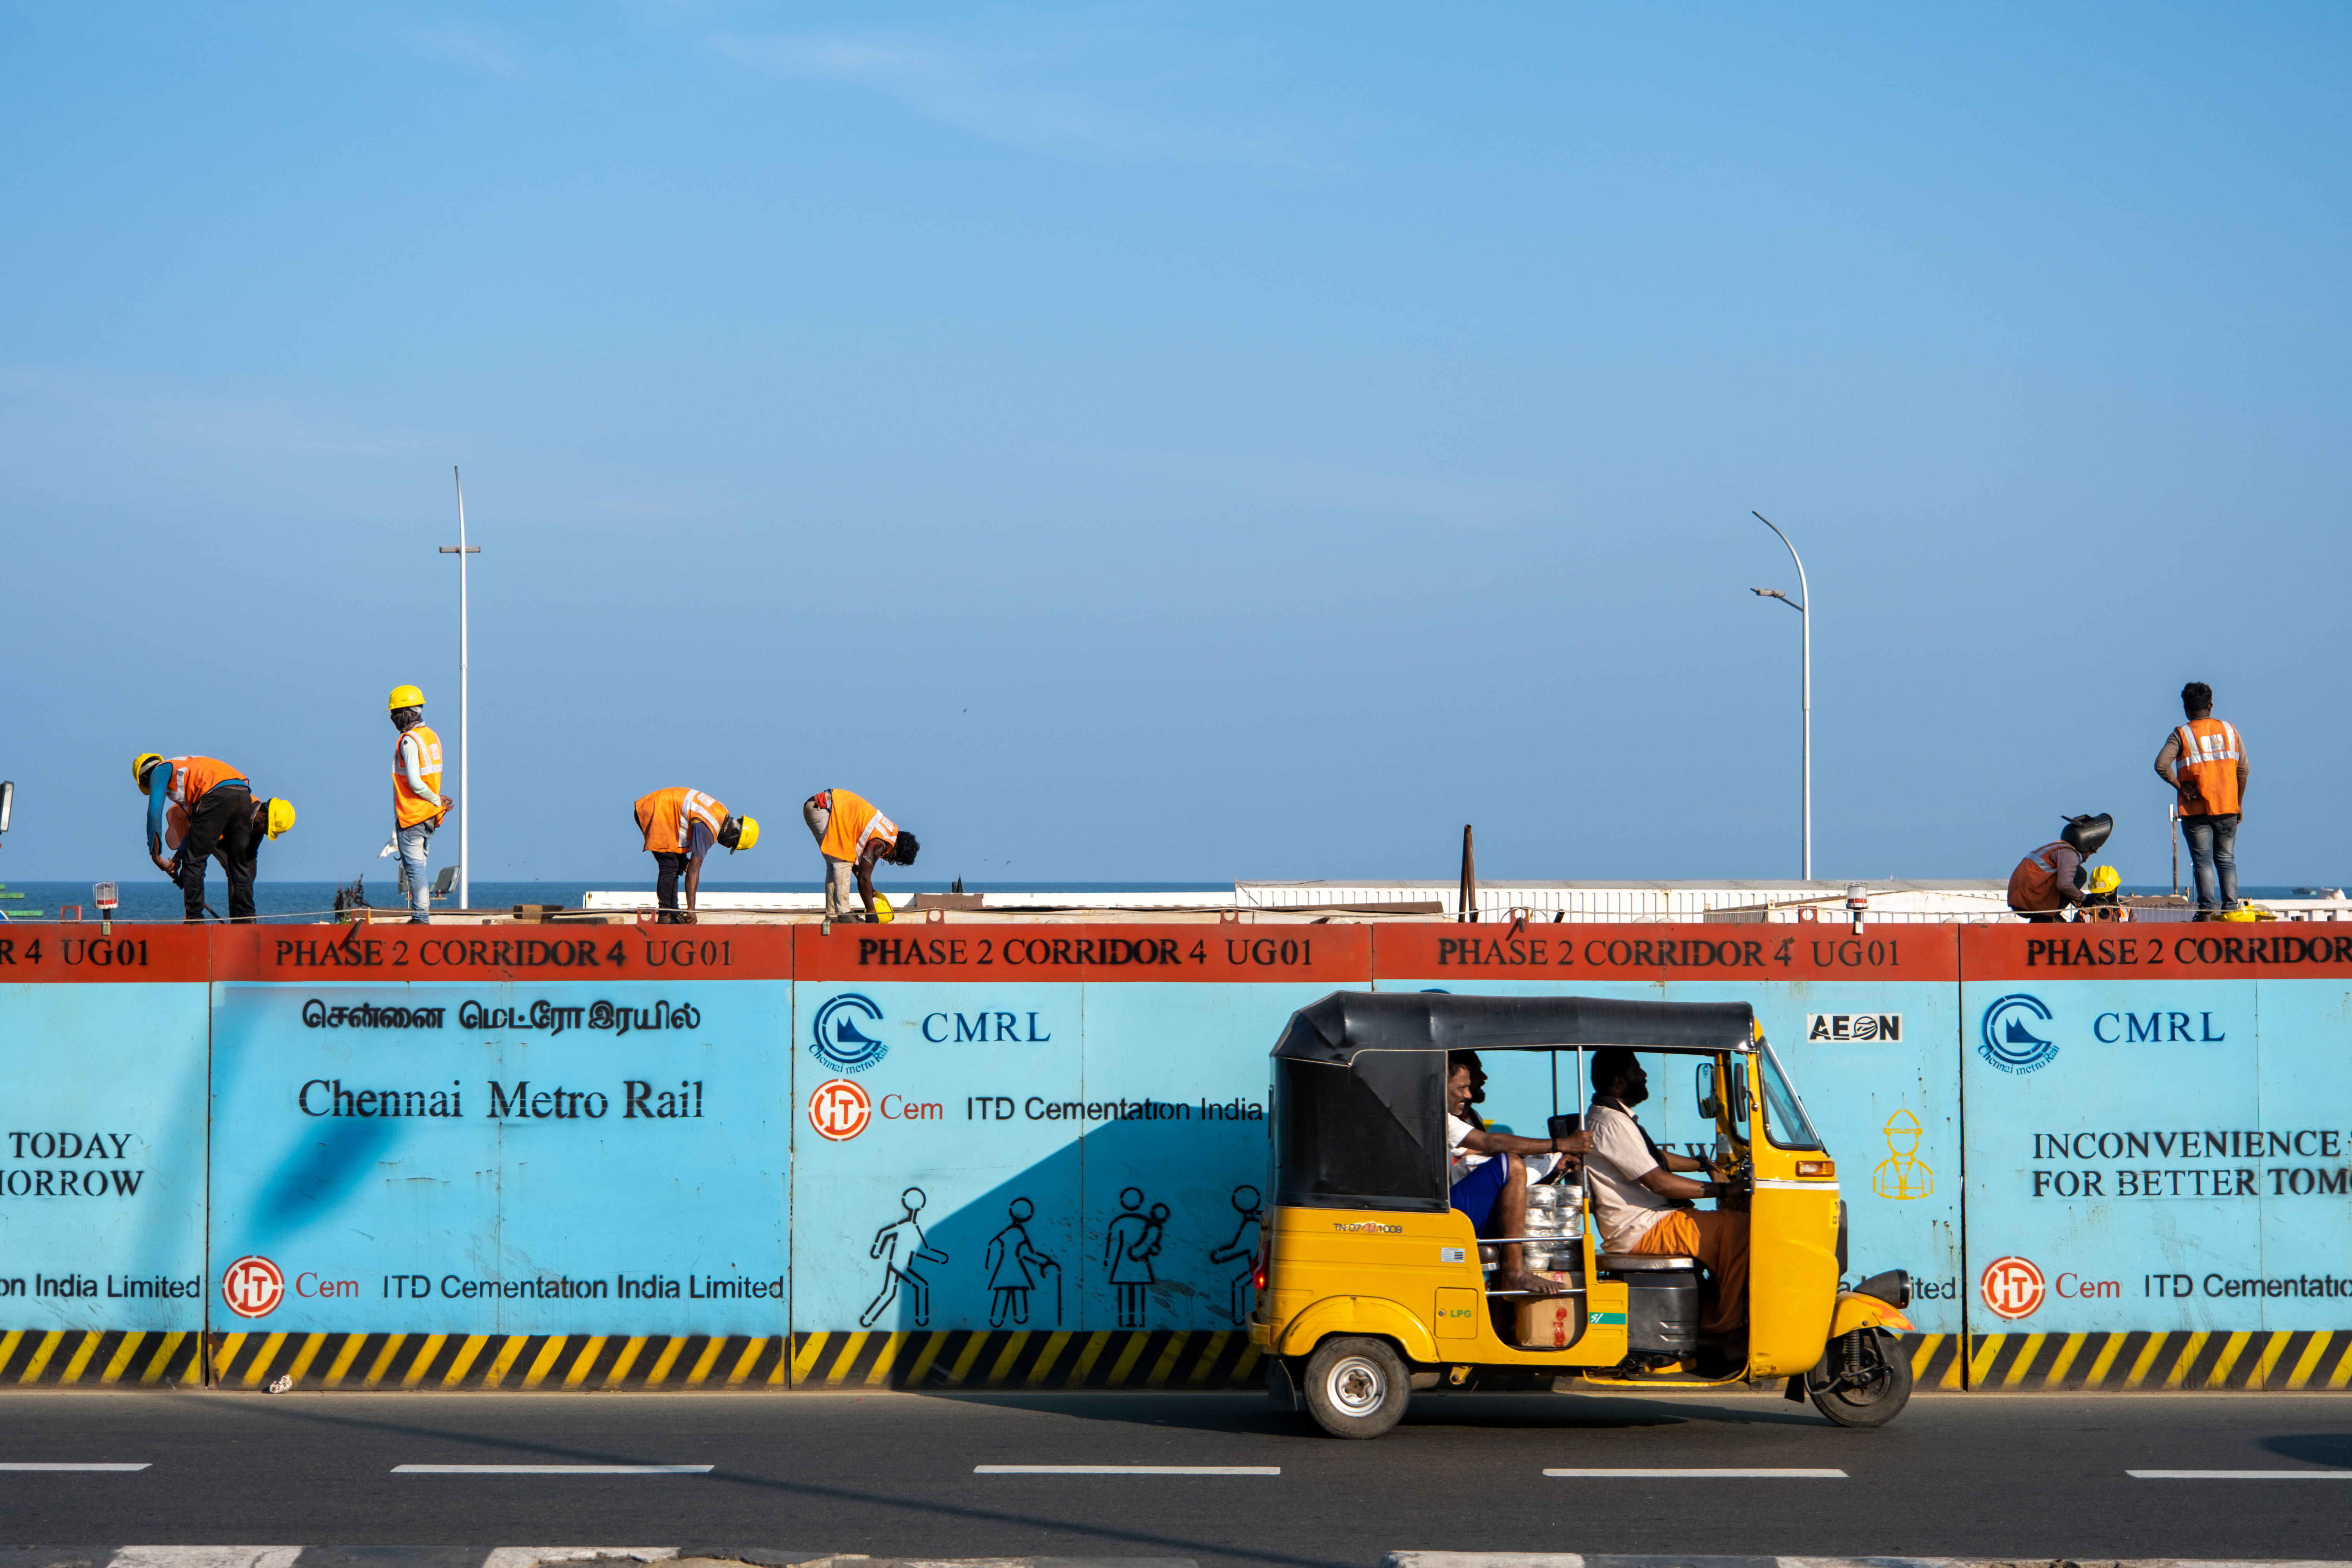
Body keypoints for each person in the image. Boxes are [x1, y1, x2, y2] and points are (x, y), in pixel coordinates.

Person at [1585, 1047, 1747, 1341]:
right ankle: (1724, 1332)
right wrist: (1725, 1189)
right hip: (1641, 1228)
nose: (1645, 1075)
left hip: (1651, 1219)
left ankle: (1715, 1313)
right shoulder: (1612, 1123)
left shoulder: (1612, 1116)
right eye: (1637, 1071)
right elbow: (1659, 1182)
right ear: (1620, 1081)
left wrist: (1705, 1164)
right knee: (1741, 1230)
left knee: (1727, 1232)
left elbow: (1656, 1158)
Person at [1446, 1050, 1592, 1299]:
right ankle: (1515, 1271)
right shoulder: (1436, 1116)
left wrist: (1547, 1162)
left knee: (1513, 1177)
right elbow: (1492, 1143)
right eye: (1462, 1088)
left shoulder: (1458, 1117)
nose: (1469, 1094)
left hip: (1458, 1199)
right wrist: (1561, 1144)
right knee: (1511, 1163)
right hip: (1447, 1209)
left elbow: (1478, 1154)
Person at [135, 753, 290, 923]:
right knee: (240, 867)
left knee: (195, 862)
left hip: (218, 795)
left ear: (145, 777)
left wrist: (156, 854)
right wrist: (180, 859)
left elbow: (154, 811)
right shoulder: (191, 772)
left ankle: (195, 922)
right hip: (243, 792)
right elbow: (196, 828)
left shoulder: (161, 770)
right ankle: (247, 922)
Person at [2156, 681, 2247, 918]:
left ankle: (2206, 910)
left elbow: (2161, 765)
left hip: (2196, 810)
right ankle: (2231, 910)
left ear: (2186, 708)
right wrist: (2238, 803)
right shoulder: (2230, 730)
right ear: (2211, 705)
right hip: (2228, 806)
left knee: (2202, 861)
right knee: (2226, 860)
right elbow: (2243, 770)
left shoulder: (2181, 734)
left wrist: (2181, 787)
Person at [632, 787, 758, 923]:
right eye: (732, 845)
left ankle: (673, 913)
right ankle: (665, 916)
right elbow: (693, 871)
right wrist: (691, 910)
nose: (727, 846)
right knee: (669, 865)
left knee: (676, 863)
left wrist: (684, 861)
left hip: (660, 808)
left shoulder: (721, 813)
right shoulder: (709, 829)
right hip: (654, 809)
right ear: (735, 835)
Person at [386, 685, 455, 924]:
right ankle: (421, 916)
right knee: (420, 866)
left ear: (406, 712)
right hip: (430, 816)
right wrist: (437, 802)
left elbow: (416, 783)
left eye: (395, 713)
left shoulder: (409, 741)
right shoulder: (431, 736)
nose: (393, 719)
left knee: (415, 869)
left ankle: (421, 918)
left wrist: (436, 799)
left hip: (412, 816)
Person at [802, 788, 919, 922]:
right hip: (825, 809)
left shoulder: (886, 831)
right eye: (893, 859)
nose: (888, 860)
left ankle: (833, 917)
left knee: (835, 864)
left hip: (818, 808)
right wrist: (872, 913)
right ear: (897, 849)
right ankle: (844, 914)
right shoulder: (883, 843)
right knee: (842, 861)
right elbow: (864, 878)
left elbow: (860, 871)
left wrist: (871, 891)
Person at [2006, 813, 2113, 922]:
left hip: (2020, 897)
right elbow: (2064, 885)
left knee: (2068, 876)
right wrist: (2085, 899)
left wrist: (2082, 905)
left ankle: (2042, 919)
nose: (2086, 859)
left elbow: (2063, 887)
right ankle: (2049, 918)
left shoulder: (2056, 847)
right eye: (2090, 854)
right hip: (2030, 898)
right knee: (2080, 874)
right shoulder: (2069, 854)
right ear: (2088, 847)